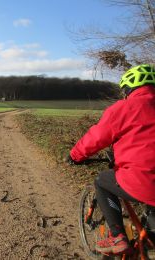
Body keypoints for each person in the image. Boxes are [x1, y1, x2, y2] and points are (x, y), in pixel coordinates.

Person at [66, 64, 155, 255]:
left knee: (102, 181)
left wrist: (74, 156)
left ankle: (117, 236)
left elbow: (96, 137)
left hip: (144, 179)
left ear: (129, 89)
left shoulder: (125, 107)